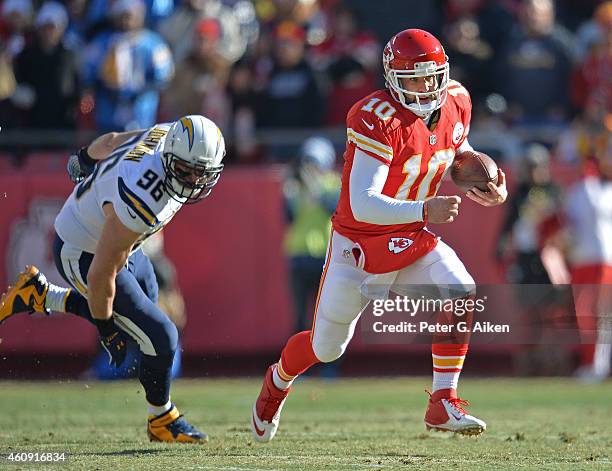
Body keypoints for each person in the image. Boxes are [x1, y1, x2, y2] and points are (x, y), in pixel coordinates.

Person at [250, 28, 508, 442]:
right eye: (415, 79)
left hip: (411, 238)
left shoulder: (457, 100)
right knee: (326, 347)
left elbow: (456, 147)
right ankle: (277, 383)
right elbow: (364, 201)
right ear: (392, 79)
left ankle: (442, 401)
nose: (426, 87)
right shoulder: (375, 117)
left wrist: (490, 183)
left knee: (462, 291)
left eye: (431, 76)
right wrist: (427, 208)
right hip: (360, 246)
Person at [0, 114, 225, 443]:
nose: (192, 181)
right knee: (160, 336)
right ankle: (162, 418)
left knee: (144, 310)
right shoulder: (145, 194)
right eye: (186, 170)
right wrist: (105, 329)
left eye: (201, 173)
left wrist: (84, 157)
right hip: (84, 252)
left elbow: (113, 140)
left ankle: (41, 295)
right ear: (169, 157)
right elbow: (101, 271)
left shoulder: (164, 134)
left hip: (119, 245)